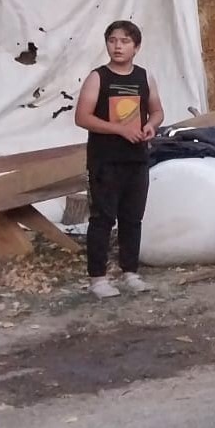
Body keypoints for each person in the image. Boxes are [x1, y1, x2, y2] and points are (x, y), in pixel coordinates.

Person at [74, 20, 164, 299]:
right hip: (105, 160)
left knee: (132, 218)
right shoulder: (98, 77)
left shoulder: (145, 77)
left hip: (136, 158)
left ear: (136, 47)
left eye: (124, 41)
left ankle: (130, 272)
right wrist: (119, 129)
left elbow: (157, 111)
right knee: (102, 218)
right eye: (113, 40)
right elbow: (82, 117)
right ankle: (98, 278)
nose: (117, 46)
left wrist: (152, 126)